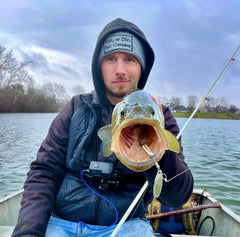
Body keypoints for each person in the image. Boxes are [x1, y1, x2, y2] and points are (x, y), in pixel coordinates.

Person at [12, 18, 193, 237]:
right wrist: (28, 232)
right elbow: (44, 172)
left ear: (141, 67)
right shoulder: (75, 108)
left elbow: (177, 197)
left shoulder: (161, 115)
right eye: (110, 59)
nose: (120, 70)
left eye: (129, 59)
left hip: (127, 225)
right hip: (63, 222)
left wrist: (157, 155)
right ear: (99, 66)